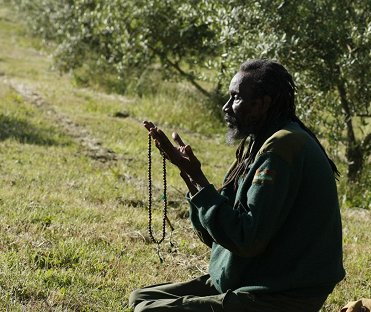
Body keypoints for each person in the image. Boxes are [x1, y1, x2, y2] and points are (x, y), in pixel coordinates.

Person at [129, 59, 345, 312]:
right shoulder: (259, 142)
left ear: (262, 103)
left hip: (281, 292)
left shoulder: (282, 148)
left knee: (148, 311)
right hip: (250, 276)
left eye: (236, 98)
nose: (226, 107)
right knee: (140, 297)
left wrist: (196, 176)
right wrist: (191, 178)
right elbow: (219, 237)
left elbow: (246, 240)